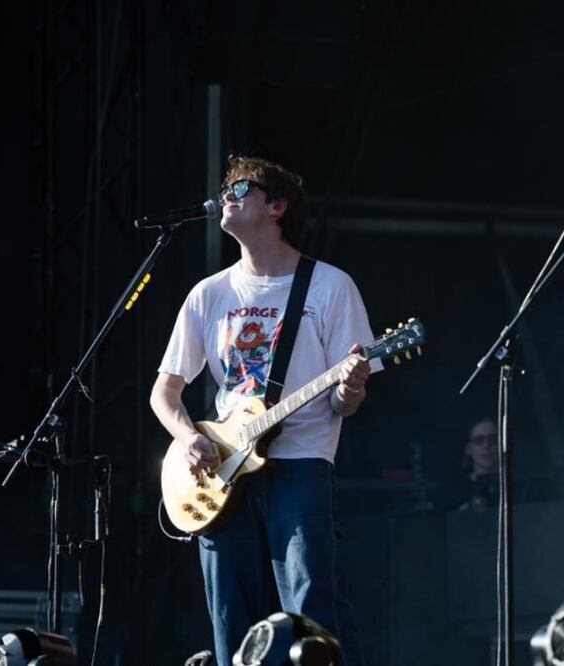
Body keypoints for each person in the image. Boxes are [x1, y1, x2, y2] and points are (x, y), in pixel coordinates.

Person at [149, 155, 380, 665]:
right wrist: (190, 439)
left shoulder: (329, 286)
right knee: (230, 614)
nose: (226, 197)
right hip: (222, 468)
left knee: (310, 606)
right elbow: (164, 392)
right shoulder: (209, 294)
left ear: (277, 206)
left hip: (300, 464)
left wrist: (352, 386)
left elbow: (344, 404)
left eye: (241, 188)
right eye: (225, 190)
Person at [454, 418, 500, 511]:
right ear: (468, 448)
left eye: (492, 439)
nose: (486, 446)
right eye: (478, 440)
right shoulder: (456, 490)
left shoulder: (518, 485)